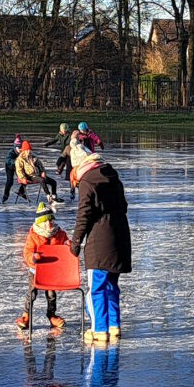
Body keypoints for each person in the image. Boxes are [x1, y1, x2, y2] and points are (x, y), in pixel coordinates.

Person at [70, 142, 132, 343]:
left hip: (100, 241)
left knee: (96, 288)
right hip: (120, 237)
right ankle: (114, 326)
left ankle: (99, 330)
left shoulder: (88, 181)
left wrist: (76, 242)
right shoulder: (113, 176)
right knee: (112, 285)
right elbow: (124, 205)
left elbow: (84, 215)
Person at [18, 204, 71, 332]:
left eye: (51, 220)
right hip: (36, 271)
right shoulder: (33, 235)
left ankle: (52, 315)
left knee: (51, 295)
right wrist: (33, 258)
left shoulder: (59, 233)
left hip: (52, 271)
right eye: (46, 221)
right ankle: (26, 315)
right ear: (40, 223)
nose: (49, 223)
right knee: (32, 293)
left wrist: (68, 245)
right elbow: (27, 252)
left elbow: (65, 244)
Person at [11, 137, 61, 201]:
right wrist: (23, 178)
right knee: (42, 180)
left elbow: (40, 165)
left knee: (53, 182)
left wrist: (43, 171)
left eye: (30, 149)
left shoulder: (32, 157)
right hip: (29, 176)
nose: (29, 151)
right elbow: (19, 171)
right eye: (28, 150)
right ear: (24, 150)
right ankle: (48, 196)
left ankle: (54, 197)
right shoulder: (19, 160)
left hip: (36, 174)